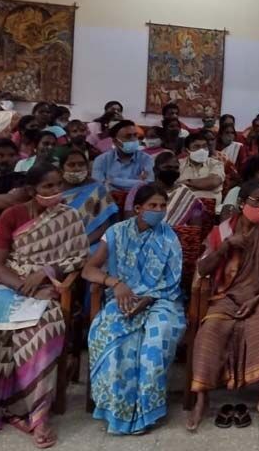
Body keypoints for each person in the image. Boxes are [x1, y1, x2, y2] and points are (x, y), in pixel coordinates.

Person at [0, 164, 89, 450]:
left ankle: (37, 416)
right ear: (33, 190)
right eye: (48, 186)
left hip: (45, 288)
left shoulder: (69, 216)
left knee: (45, 328)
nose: (55, 191)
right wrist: (23, 285)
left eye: (58, 185)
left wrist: (46, 272)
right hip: (10, 284)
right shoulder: (12, 215)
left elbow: (79, 257)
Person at [84, 183, 186, 435]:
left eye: (162, 206)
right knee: (109, 334)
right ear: (138, 208)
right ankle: (117, 409)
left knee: (155, 338)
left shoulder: (169, 237)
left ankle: (145, 412)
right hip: (123, 298)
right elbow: (89, 269)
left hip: (162, 301)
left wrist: (148, 299)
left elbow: (173, 281)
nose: (159, 210)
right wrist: (116, 283)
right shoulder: (116, 233)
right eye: (152, 205)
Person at [187, 179, 259, 431]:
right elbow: (202, 268)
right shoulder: (221, 232)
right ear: (241, 203)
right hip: (226, 297)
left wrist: (255, 301)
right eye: (255, 202)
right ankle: (202, 399)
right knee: (209, 333)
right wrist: (225, 248)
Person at [123, 151, 204, 226]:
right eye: (167, 167)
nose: (172, 171)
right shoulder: (140, 188)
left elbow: (194, 229)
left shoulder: (186, 194)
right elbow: (129, 219)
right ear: (155, 170)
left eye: (176, 168)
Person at [60, 149, 119, 251]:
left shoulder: (97, 189)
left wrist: (84, 244)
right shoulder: (55, 193)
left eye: (81, 164)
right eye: (71, 165)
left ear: (87, 167)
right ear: (61, 169)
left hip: (94, 243)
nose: (77, 168)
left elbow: (104, 225)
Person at [91, 120, 155, 192]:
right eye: (128, 136)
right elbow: (99, 186)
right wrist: (138, 183)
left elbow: (148, 184)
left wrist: (112, 180)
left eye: (135, 135)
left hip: (138, 200)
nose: (133, 139)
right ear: (115, 141)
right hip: (110, 200)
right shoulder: (101, 160)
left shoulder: (146, 159)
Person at [177, 132, 225, 206]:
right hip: (185, 207)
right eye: (196, 147)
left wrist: (187, 182)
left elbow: (213, 182)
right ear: (187, 150)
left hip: (211, 209)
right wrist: (202, 184)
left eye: (204, 146)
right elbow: (175, 188)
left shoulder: (215, 164)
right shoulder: (178, 165)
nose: (201, 150)